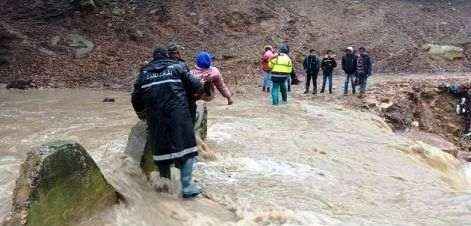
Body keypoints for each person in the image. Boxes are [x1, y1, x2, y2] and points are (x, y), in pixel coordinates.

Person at [131, 47, 204, 198]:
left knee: (162, 154)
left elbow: (136, 98)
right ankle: (187, 187)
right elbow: (196, 85)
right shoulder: (177, 67)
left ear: (153, 59)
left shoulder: (144, 74)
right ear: (167, 56)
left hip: (156, 120)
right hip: (179, 116)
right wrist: (202, 82)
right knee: (187, 150)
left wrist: (141, 115)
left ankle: (166, 189)